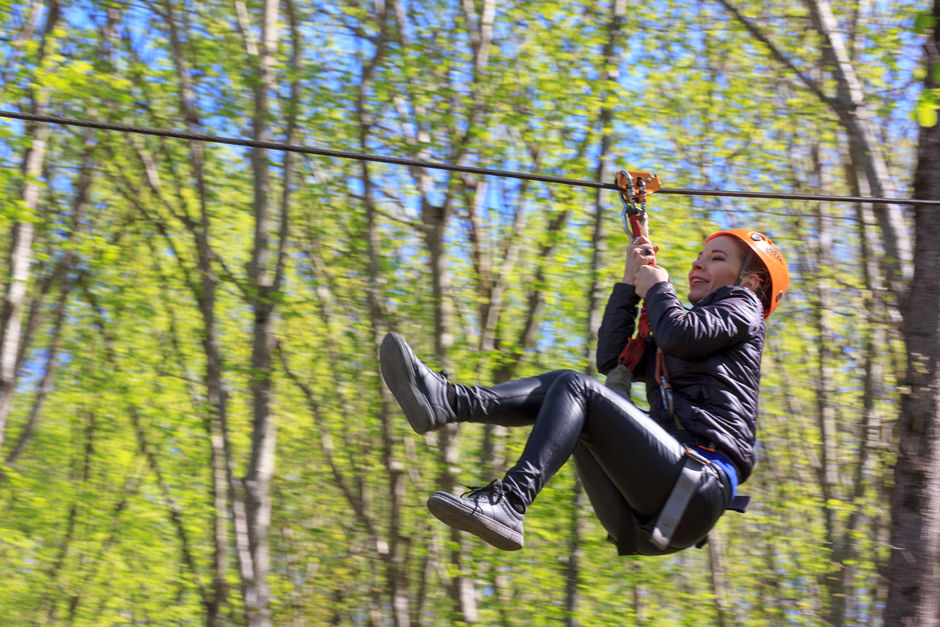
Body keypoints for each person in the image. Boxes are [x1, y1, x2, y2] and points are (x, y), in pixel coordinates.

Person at [379, 228, 789, 555]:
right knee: (568, 389)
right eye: (699, 256)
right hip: (649, 513)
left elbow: (679, 334)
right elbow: (612, 360)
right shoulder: (692, 333)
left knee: (576, 389)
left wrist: (659, 290)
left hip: (696, 485)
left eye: (716, 259)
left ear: (749, 282)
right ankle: (450, 403)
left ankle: (509, 501)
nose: (698, 264)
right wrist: (630, 286)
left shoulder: (742, 306)